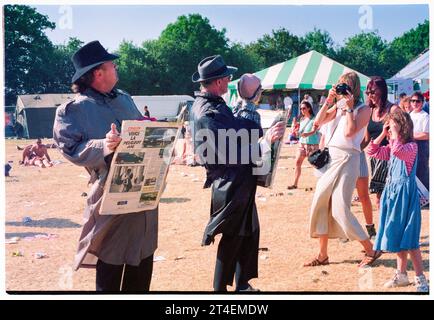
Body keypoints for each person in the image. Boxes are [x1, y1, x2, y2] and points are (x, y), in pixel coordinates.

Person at [53, 40, 157, 292]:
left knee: (142, 261)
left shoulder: (124, 98)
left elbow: (140, 132)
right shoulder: (72, 110)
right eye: (112, 64)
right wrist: (104, 145)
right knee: (111, 264)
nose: (116, 67)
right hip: (110, 195)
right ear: (98, 73)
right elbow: (71, 149)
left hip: (144, 191)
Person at [191, 55, 285, 292]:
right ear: (221, 81)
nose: (229, 80)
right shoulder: (208, 111)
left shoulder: (214, 104)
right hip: (229, 181)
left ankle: (242, 283)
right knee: (233, 235)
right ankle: (220, 290)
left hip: (237, 179)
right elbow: (227, 153)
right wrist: (264, 142)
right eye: (228, 77)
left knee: (247, 231)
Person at [305, 71, 381, 268]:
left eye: (345, 86)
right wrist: (329, 101)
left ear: (353, 88)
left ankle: (370, 249)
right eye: (339, 86)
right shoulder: (337, 105)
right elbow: (318, 122)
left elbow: (349, 132)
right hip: (332, 158)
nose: (341, 89)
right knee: (320, 202)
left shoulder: (364, 109)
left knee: (339, 207)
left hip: (349, 158)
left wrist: (348, 109)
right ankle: (322, 255)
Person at [366, 110, 429, 292]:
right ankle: (401, 276)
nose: (390, 129)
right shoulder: (392, 145)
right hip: (392, 196)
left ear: (403, 127)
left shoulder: (410, 147)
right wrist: (383, 134)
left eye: (393, 125)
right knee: (396, 237)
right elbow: (372, 151)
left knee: (410, 240)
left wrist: (393, 134)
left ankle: (420, 279)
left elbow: (397, 150)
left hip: (405, 199)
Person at [364, 76, 399, 209]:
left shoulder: (393, 110)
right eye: (368, 92)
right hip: (375, 159)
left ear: (382, 91)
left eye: (373, 91)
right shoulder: (370, 110)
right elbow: (367, 139)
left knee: (389, 198)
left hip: (390, 158)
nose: (370, 95)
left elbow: (402, 136)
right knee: (379, 199)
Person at [288, 100, 319, 189]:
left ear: (309, 108)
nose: (302, 110)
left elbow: (314, 131)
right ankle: (295, 184)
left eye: (304, 108)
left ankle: (323, 183)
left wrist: (307, 134)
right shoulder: (302, 119)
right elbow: (300, 133)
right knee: (297, 163)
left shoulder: (315, 119)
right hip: (302, 144)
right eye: (301, 109)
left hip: (312, 145)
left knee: (317, 165)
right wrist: (296, 132)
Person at [409, 92, 429, 191]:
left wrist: (411, 136)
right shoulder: (409, 115)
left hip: (421, 146)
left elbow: (427, 135)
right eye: (413, 101)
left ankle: (426, 196)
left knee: (422, 170)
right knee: (412, 170)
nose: (415, 103)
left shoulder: (425, 116)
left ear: (422, 103)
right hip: (410, 145)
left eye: (418, 101)